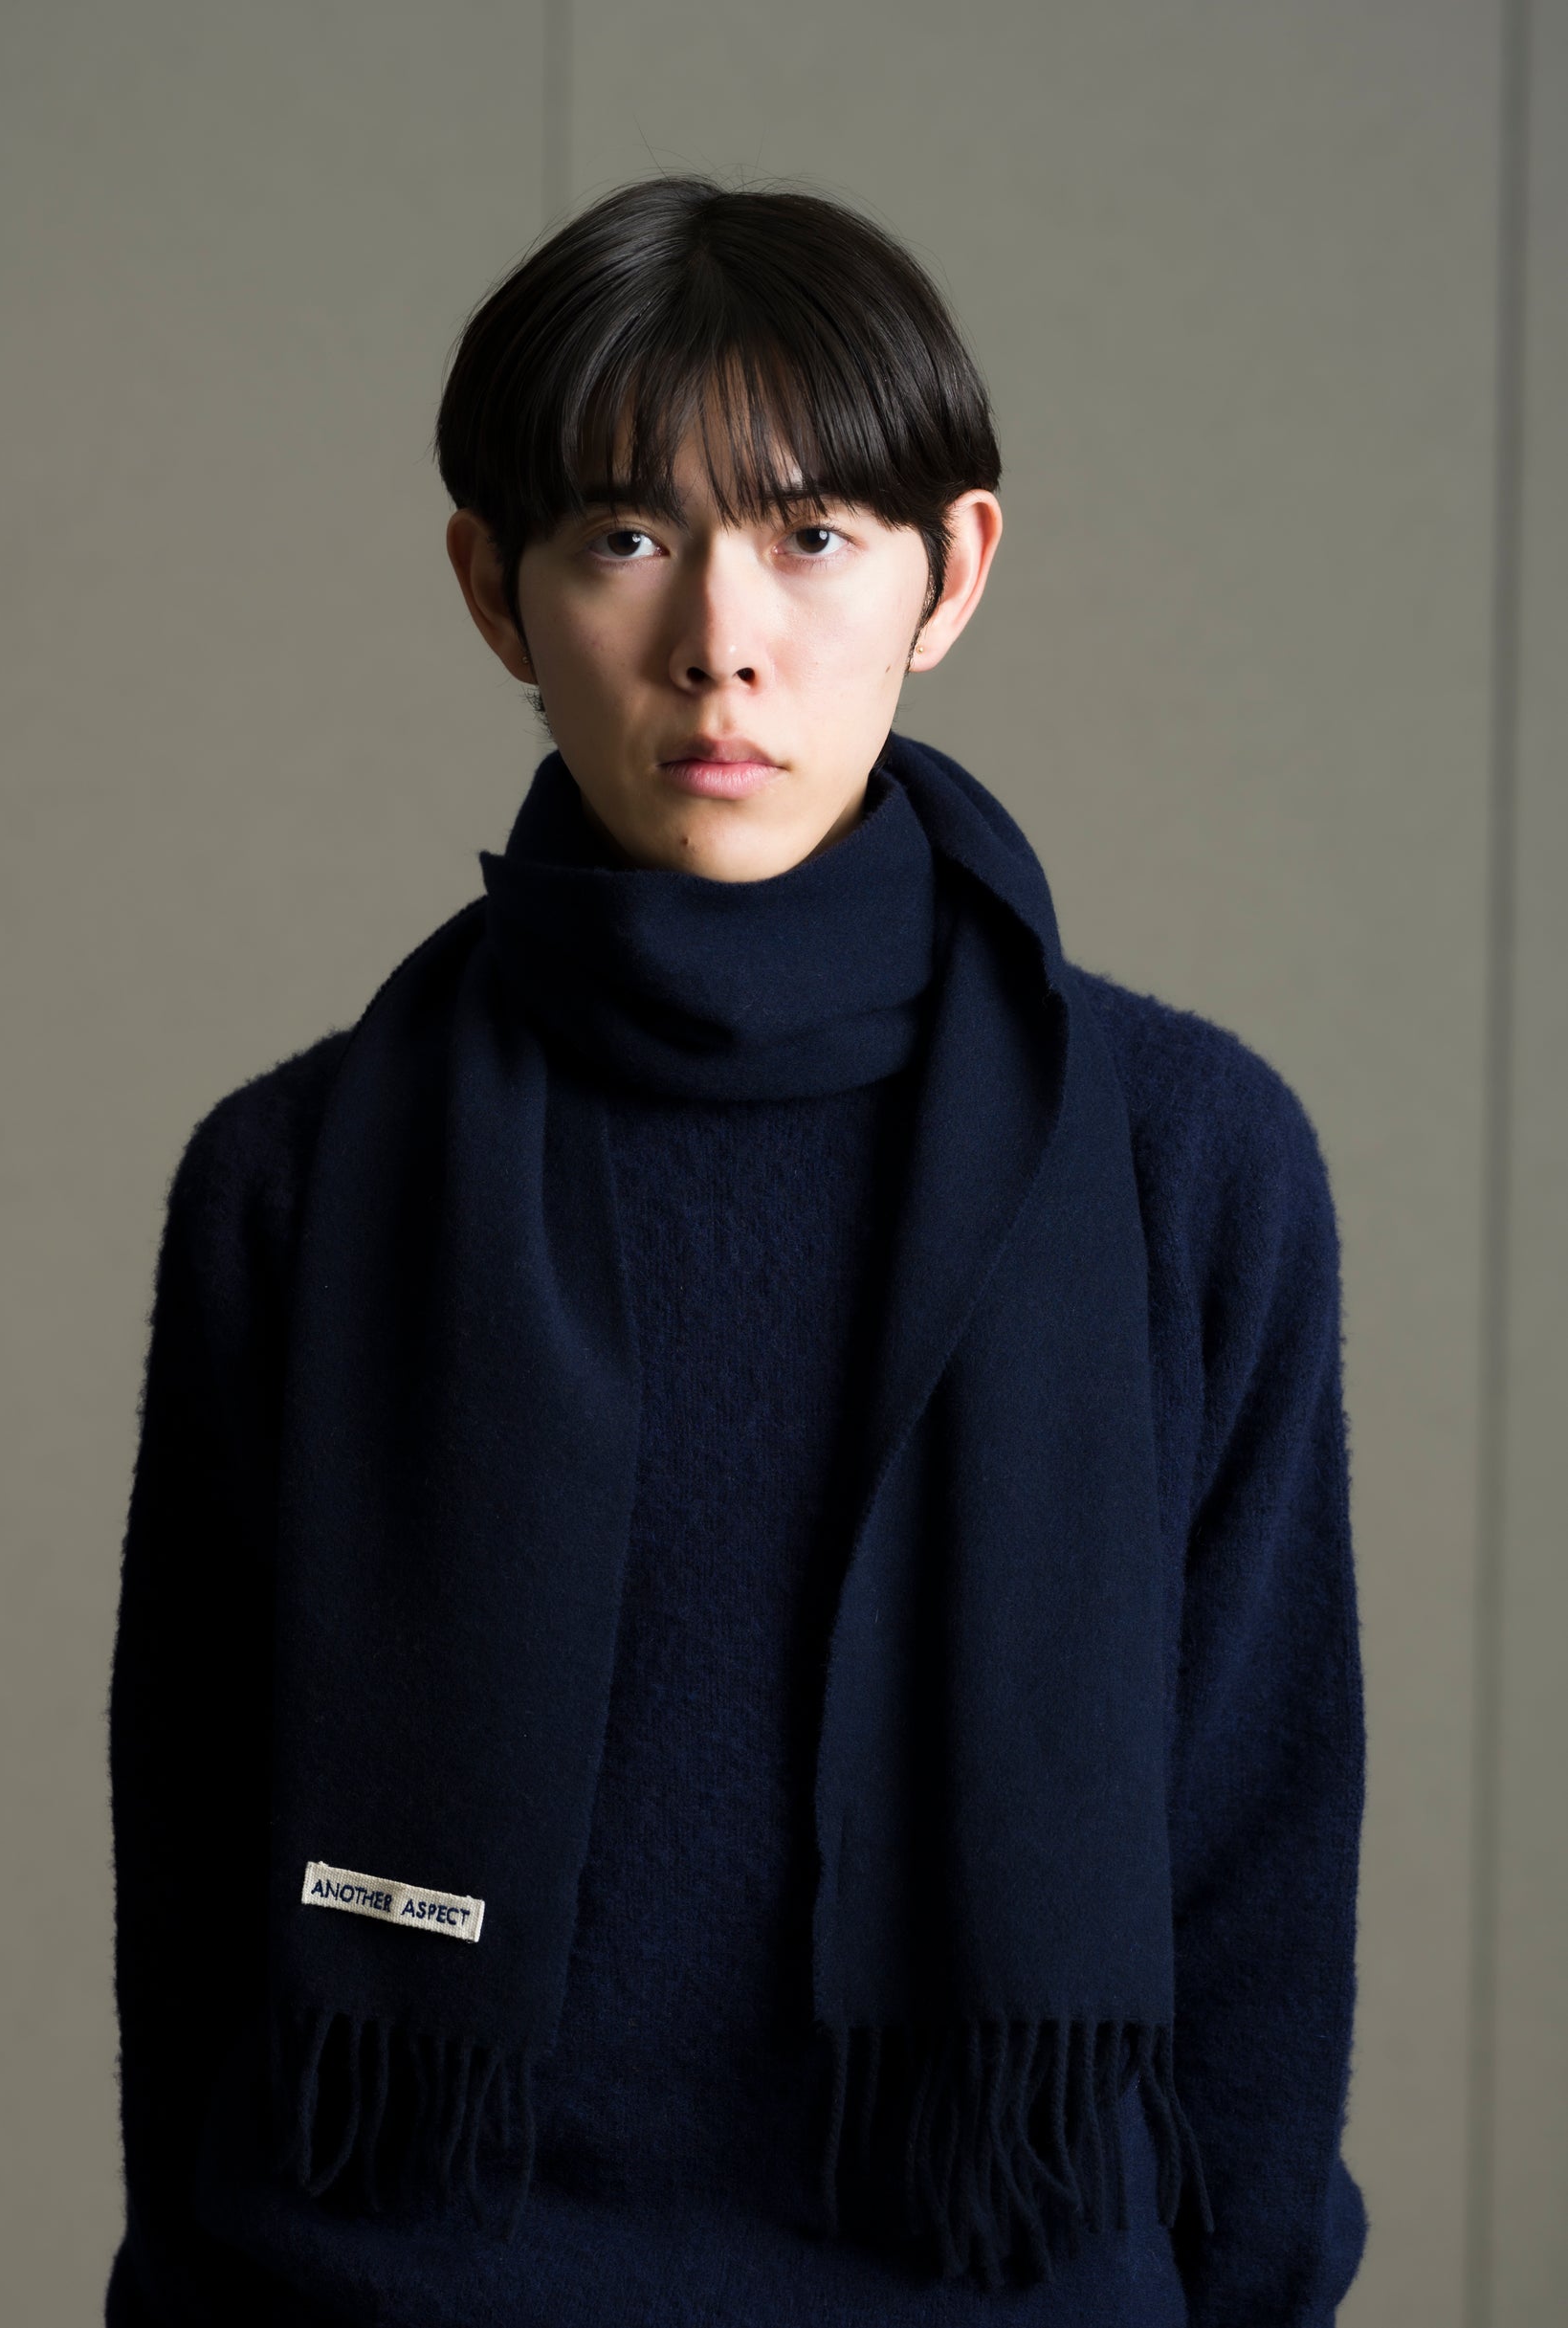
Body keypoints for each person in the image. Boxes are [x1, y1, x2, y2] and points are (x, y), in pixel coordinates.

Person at [105, 175, 1369, 2326]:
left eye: (811, 536)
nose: (720, 636)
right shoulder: (296, 1181)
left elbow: (1255, 1852)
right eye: (623, 537)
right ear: (495, 593)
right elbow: (199, 1882)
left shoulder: (1185, 1163)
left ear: (950, 569)